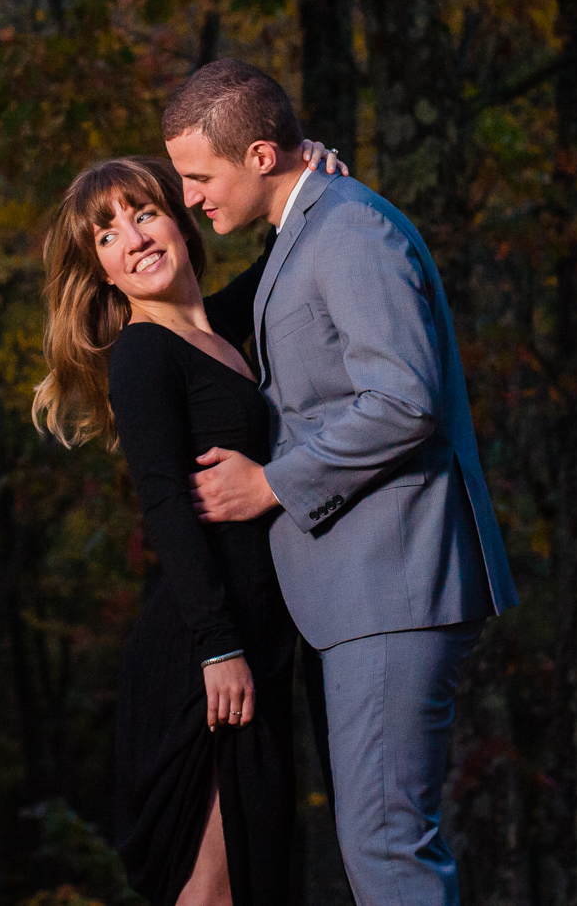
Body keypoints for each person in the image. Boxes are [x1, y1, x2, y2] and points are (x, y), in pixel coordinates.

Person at [167, 59, 519, 906]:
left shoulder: (351, 231)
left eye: (197, 177)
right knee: (378, 847)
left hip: (392, 588)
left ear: (258, 154)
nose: (188, 200)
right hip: (359, 596)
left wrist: (275, 484)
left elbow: (405, 398)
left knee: (389, 849)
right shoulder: (308, 229)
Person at [32, 144, 344, 906]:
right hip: (207, 657)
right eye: (108, 234)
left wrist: (305, 186)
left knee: (251, 879)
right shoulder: (142, 353)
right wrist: (219, 647)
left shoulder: (216, 332)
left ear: (178, 220)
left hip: (257, 650)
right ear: (101, 268)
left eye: (144, 213)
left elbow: (267, 271)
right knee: (208, 893)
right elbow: (166, 504)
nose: (134, 238)